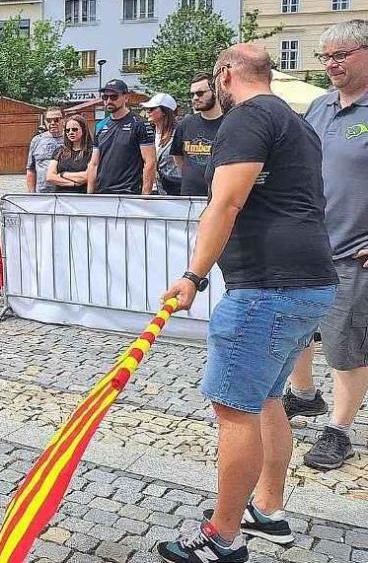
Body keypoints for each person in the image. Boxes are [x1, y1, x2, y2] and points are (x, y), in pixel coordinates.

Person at [157, 44, 337, 563]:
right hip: (306, 281)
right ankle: (269, 510)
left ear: (227, 74)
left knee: (235, 408)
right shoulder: (295, 122)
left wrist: (194, 274)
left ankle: (223, 535)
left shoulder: (245, 118)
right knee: (266, 400)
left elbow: (227, 200)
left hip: (266, 286)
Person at [283, 20, 368, 472]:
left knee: (344, 345)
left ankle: (340, 431)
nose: (332, 64)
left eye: (341, 55)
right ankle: (304, 395)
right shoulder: (317, 107)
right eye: (326, 57)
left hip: (356, 253)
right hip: (310, 246)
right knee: (297, 330)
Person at [87, 79, 156, 195]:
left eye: (114, 97)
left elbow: (150, 162)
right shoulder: (100, 126)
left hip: (128, 193)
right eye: (105, 97)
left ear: (126, 97)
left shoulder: (140, 124)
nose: (108, 101)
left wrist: (145, 197)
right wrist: (90, 194)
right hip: (102, 192)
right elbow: (93, 163)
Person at [171, 73, 224, 197]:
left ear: (215, 91)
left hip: (218, 196)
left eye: (200, 93)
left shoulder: (229, 123)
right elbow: (177, 156)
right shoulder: (185, 124)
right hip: (188, 195)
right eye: (192, 94)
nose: (195, 97)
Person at [140, 93, 182, 195]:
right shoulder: (148, 133)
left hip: (174, 190)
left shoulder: (179, 133)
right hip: (153, 189)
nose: (148, 112)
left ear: (164, 111)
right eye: (147, 109)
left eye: (152, 109)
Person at [45, 115, 92, 193]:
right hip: (61, 197)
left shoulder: (92, 151)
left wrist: (62, 174)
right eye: (67, 130)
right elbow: (50, 177)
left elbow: (89, 176)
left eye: (74, 129)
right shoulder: (59, 151)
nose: (71, 132)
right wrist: (73, 184)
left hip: (83, 197)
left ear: (83, 130)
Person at [26, 107, 65, 193]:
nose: (52, 123)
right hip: (43, 194)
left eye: (56, 120)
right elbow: (30, 169)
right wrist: (32, 194)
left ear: (63, 120)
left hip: (66, 193)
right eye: (48, 120)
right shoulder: (37, 140)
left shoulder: (71, 138)